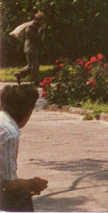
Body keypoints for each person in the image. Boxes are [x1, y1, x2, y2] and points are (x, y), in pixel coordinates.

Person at [0, 84, 48, 212]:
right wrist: (32, 183)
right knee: (20, 198)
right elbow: (9, 184)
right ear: (29, 112)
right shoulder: (10, 133)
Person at [12, 13, 46, 86]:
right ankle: (35, 82)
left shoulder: (34, 26)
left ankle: (19, 74)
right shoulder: (30, 27)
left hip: (32, 48)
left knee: (31, 66)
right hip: (31, 48)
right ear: (38, 20)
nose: (43, 22)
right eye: (42, 21)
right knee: (34, 66)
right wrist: (41, 30)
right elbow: (37, 38)